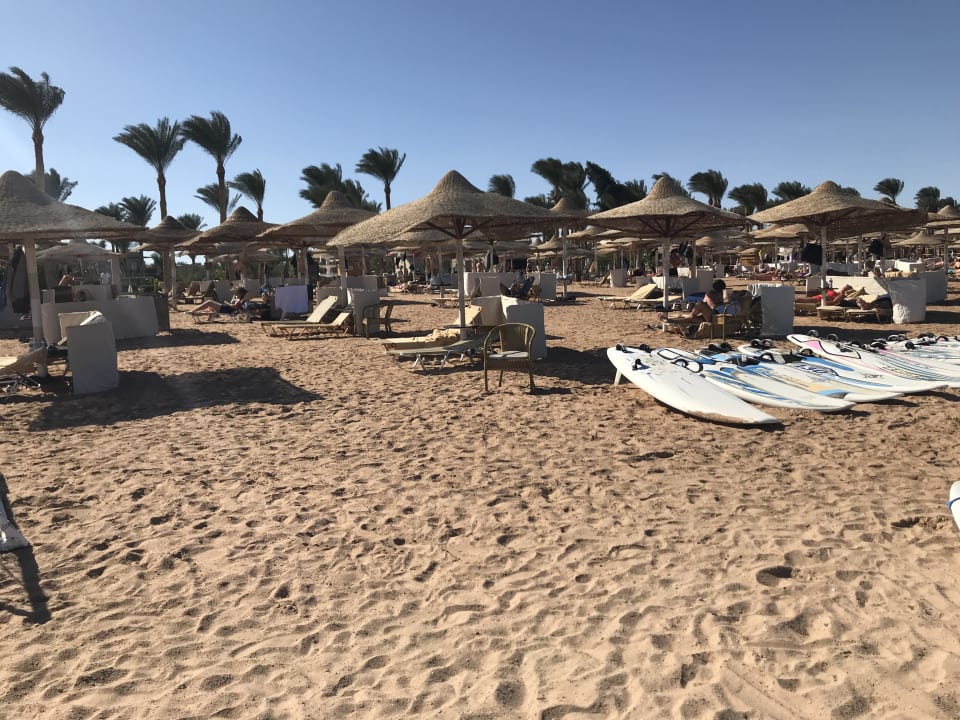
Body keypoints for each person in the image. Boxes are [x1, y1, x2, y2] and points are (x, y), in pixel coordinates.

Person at [660, 279, 727, 324]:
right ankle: (671, 320)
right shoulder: (725, 294)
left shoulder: (711, 294)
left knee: (701, 304)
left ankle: (686, 315)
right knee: (692, 318)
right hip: (719, 316)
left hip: (716, 317)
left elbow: (712, 306)